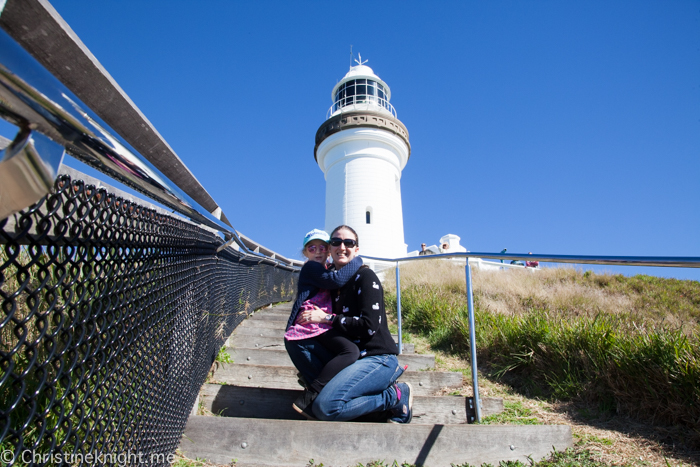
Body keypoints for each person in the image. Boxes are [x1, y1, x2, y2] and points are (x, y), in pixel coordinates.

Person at [293, 225, 413, 424]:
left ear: (356, 250)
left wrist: (326, 318)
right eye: (336, 242)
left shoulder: (366, 277)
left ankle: (394, 396)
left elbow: (369, 325)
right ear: (329, 249)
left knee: (325, 407)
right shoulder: (330, 283)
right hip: (350, 359)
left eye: (349, 243)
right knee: (297, 341)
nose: (342, 246)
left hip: (377, 358)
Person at [284, 229, 363, 418]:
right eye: (312, 248)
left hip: (320, 325)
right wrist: (358, 261)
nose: (318, 252)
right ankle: (312, 398)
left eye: (322, 247)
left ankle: (313, 396)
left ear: (328, 250)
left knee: (342, 359)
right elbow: (334, 281)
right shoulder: (311, 267)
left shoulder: (325, 267)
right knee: (350, 351)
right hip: (310, 326)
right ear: (305, 253)